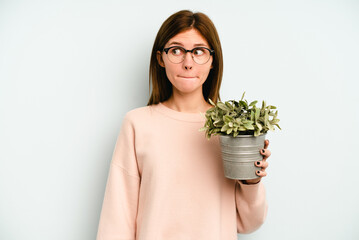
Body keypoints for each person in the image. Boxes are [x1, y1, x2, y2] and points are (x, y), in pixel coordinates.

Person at [96, 9, 270, 240]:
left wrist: (252, 180)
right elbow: (117, 221)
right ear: (160, 58)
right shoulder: (137, 124)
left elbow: (248, 223)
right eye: (176, 50)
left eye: (199, 52)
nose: (188, 63)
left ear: (212, 60)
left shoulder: (233, 129)